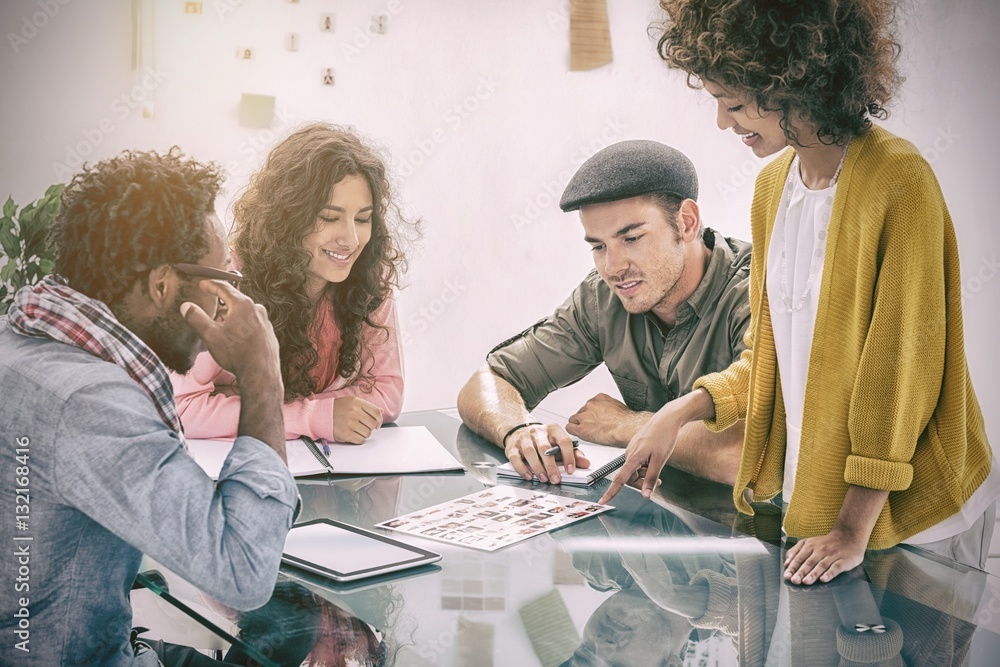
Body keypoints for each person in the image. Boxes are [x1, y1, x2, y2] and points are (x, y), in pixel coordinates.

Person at [603, 0, 997, 585]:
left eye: (733, 103)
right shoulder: (772, 188)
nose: (721, 122)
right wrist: (680, 410)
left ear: (795, 83)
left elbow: (899, 375)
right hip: (821, 511)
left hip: (908, 517)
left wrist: (850, 529)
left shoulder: (900, 181)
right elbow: (773, 354)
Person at [0, 148, 299, 666]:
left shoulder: (22, 340)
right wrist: (261, 375)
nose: (227, 301)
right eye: (223, 280)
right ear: (163, 286)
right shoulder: (93, 405)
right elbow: (244, 573)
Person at [457, 140, 751, 485]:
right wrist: (520, 430)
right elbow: (487, 382)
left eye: (632, 238)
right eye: (598, 246)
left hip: (762, 531)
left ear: (686, 223)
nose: (613, 267)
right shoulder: (603, 297)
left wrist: (622, 424)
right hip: (655, 518)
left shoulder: (759, 292)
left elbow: (744, 456)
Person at [173, 123, 410, 445]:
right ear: (288, 217)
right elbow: (182, 408)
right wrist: (317, 417)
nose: (351, 239)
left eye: (363, 218)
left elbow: (386, 393)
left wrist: (240, 401)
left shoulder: (369, 279)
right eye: (329, 217)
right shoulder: (229, 283)